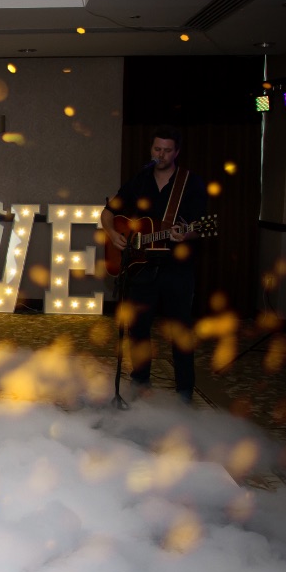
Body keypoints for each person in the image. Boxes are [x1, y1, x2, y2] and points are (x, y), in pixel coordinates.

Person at [100, 127, 207, 404]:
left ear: (177, 152)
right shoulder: (140, 181)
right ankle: (139, 384)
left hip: (177, 270)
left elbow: (200, 226)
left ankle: (184, 393)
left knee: (180, 331)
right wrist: (112, 234)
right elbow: (109, 212)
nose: (161, 155)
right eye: (157, 149)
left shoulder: (191, 183)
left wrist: (186, 233)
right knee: (138, 330)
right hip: (141, 269)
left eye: (167, 150)